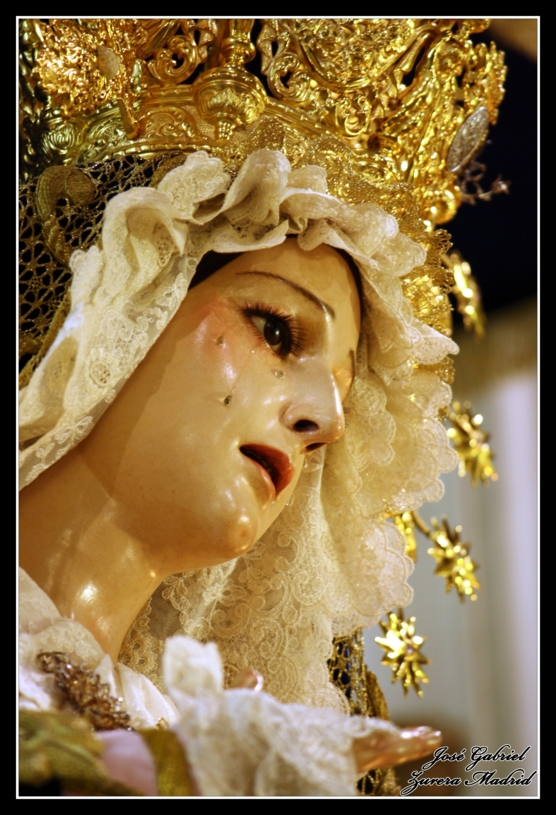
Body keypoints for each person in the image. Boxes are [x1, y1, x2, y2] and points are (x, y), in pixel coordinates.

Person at [19, 147, 457, 795]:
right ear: (128, 298)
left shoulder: (184, 730)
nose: (328, 422)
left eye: (341, 392)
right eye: (277, 332)